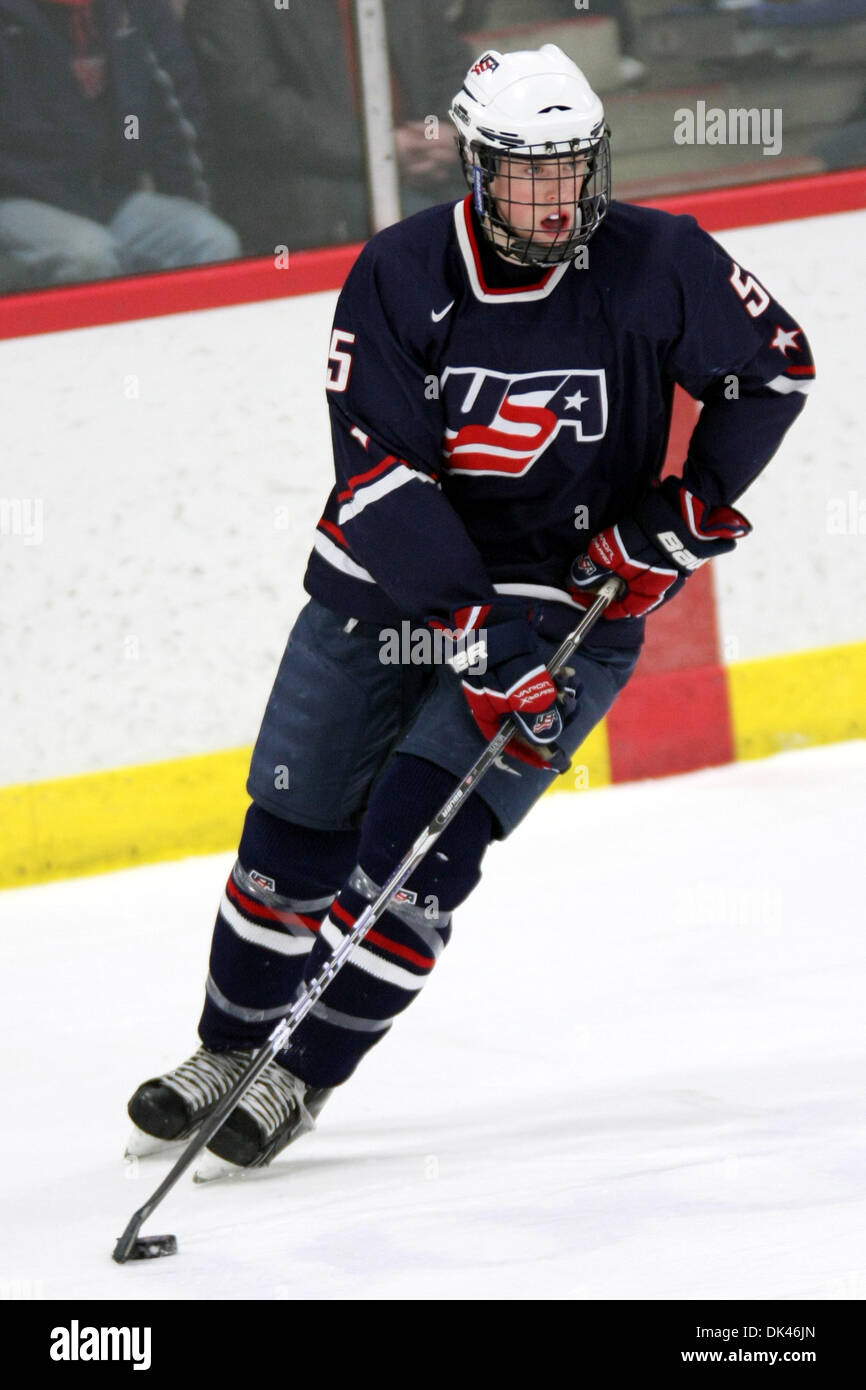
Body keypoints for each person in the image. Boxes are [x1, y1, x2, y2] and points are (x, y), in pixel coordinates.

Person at [126, 44, 813, 1176]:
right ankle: (224, 1050)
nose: (556, 198)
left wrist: (680, 511)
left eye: (572, 168)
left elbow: (772, 370)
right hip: (376, 590)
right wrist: (473, 634)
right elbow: (380, 480)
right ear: (474, 165)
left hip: (564, 604)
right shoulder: (397, 273)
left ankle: (296, 1080)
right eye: (526, 172)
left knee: (414, 852)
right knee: (285, 852)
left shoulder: (659, 259)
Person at [183, 0, 469, 253]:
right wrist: (379, 149)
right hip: (310, 187)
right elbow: (252, 109)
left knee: (498, 220)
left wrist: (447, 132)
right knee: (446, 242)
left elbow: (451, 66)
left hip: (425, 168)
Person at [0, 0, 239, 288]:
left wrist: (191, 202)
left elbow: (176, 114)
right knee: (88, 254)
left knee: (209, 240)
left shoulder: (135, 9)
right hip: (17, 201)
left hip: (110, 194)